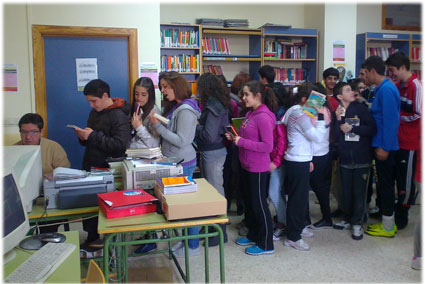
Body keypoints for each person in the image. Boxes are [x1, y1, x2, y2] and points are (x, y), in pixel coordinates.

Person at [150, 71, 201, 257]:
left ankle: (193, 246)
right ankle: (187, 240)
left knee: (187, 207)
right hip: (175, 161)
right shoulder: (177, 107)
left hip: (183, 162)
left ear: (175, 86)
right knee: (181, 206)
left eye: (165, 87)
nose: (162, 91)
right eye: (161, 87)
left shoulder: (186, 110)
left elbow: (181, 140)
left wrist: (157, 126)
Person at [75, 79, 131, 244]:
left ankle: (110, 244)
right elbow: (92, 136)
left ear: (105, 96)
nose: (91, 105)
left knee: (107, 209)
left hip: (107, 169)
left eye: (94, 101)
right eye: (89, 102)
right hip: (90, 164)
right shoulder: (95, 112)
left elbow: (120, 146)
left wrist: (92, 136)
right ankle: (91, 237)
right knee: (89, 205)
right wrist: (83, 137)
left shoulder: (118, 115)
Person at [227, 80, 276, 256]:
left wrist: (241, 142)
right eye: (243, 94)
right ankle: (254, 234)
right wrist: (235, 136)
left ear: (258, 96)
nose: (243, 98)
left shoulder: (263, 116)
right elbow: (248, 136)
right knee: (250, 204)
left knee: (259, 205)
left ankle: (266, 244)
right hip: (246, 165)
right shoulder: (250, 114)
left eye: (247, 94)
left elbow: (267, 146)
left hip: (257, 167)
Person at [282, 83, 326, 251]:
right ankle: (293, 237)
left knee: (300, 199)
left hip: (300, 159)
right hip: (296, 160)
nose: (319, 105)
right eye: (317, 101)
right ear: (304, 100)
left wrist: (309, 159)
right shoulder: (299, 114)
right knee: (297, 200)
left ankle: (298, 228)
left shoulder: (295, 110)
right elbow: (316, 137)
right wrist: (321, 118)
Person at [362, 56, 400, 238]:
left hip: (385, 146)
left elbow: (392, 121)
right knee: (383, 185)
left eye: (365, 73)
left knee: (385, 186)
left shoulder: (386, 90)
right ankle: (386, 222)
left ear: (372, 71)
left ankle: (387, 226)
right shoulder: (381, 89)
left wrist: (384, 147)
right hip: (380, 143)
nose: (363, 77)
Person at [332, 82, 376, 240]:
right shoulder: (337, 112)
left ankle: (357, 223)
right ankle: (346, 217)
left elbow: (372, 129)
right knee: (345, 192)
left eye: (352, 89)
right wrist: (337, 120)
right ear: (339, 96)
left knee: (359, 193)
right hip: (344, 159)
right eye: (348, 90)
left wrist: (353, 128)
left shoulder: (361, 109)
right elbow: (335, 137)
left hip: (361, 158)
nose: (353, 92)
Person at [16, 113, 71, 233]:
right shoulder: (15, 149)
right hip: (24, 199)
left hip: (47, 197)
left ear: (41, 132)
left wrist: (53, 177)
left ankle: (46, 241)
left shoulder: (53, 147)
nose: (28, 137)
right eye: (24, 132)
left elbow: (65, 174)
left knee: (47, 226)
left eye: (33, 132)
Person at [385, 52, 422, 230]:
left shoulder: (417, 86)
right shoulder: (398, 85)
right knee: (396, 177)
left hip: (410, 142)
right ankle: (394, 209)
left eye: (393, 70)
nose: (391, 74)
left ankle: (403, 213)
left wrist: (395, 118)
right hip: (397, 140)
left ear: (402, 68)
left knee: (405, 182)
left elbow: (417, 113)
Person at [195, 73, 230, 246]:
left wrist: (196, 126)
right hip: (211, 151)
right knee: (210, 191)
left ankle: (219, 232)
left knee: (216, 191)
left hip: (213, 152)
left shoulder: (213, 106)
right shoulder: (214, 103)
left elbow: (209, 135)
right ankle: (210, 227)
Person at [128, 77, 161, 149]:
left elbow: (154, 144)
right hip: (134, 155)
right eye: (136, 94)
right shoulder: (137, 108)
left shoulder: (155, 113)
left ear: (150, 95)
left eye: (143, 95)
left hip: (147, 157)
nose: (139, 98)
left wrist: (139, 127)